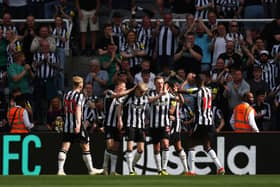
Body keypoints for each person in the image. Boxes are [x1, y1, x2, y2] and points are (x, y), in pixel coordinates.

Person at [57, 76, 104, 175]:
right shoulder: (80, 96)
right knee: (86, 146)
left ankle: (60, 170)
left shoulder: (66, 94)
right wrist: (78, 124)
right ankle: (91, 169)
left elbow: (65, 109)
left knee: (65, 146)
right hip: (76, 124)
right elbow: (78, 110)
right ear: (81, 85)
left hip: (67, 124)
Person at [180, 73, 225, 175]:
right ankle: (220, 167)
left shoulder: (197, 91)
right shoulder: (209, 90)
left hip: (200, 122)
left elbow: (183, 91)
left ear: (197, 82)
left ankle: (191, 171)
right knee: (207, 146)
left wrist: (185, 82)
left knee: (191, 144)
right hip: (209, 122)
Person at [102, 81, 135, 175]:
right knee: (109, 146)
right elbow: (117, 95)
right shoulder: (110, 93)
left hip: (118, 126)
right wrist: (131, 89)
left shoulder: (124, 99)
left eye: (125, 88)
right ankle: (104, 167)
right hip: (109, 125)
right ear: (117, 87)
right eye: (122, 87)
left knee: (115, 148)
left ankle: (112, 171)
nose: (124, 89)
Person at [148, 76, 175, 175]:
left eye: (162, 83)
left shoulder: (168, 93)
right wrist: (160, 95)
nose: (160, 84)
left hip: (165, 124)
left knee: (165, 144)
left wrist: (177, 93)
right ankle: (159, 169)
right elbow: (149, 100)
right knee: (156, 148)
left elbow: (179, 100)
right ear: (154, 84)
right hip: (154, 125)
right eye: (158, 83)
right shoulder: (151, 92)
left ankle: (164, 169)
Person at [121, 83, 149, 175]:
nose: (142, 93)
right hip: (130, 125)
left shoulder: (145, 98)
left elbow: (148, 109)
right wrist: (119, 119)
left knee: (140, 150)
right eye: (141, 92)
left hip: (141, 126)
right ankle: (130, 171)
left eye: (144, 92)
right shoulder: (130, 98)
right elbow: (120, 106)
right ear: (136, 90)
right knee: (129, 148)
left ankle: (132, 165)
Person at [167, 81, 189, 175]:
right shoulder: (171, 96)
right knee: (178, 147)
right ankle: (186, 170)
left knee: (166, 146)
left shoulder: (172, 97)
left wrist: (160, 112)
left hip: (174, 124)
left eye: (167, 87)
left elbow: (172, 111)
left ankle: (162, 169)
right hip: (172, 123)